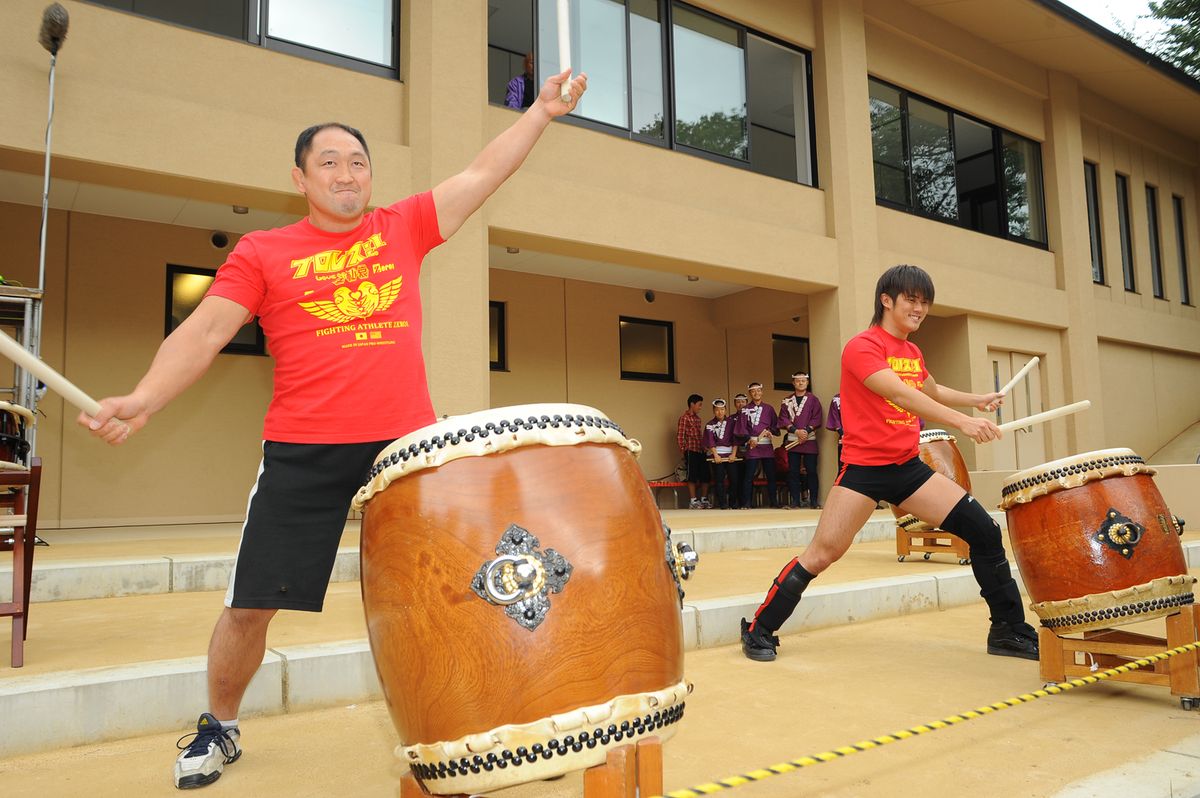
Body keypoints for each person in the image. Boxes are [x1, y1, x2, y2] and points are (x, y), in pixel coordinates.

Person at [79, 69, 588, 790]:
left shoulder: (402, 226)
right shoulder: (262, 251)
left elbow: (482, 172)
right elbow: (205, 331)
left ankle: (489, 725)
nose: (347, 174)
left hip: (407, 450)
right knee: (252, 603)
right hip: (304, 450)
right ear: (301, 177)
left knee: (467, 587)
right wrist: (144, 397)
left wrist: (540, 112)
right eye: (329, 162)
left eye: (358, 162)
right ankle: (220, 725)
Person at [739, 264, 1039, 663]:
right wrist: (964, 423)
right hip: (864, 471)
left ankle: (1008, 631)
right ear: (886, 300)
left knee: (983, 531)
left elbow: (929, 389)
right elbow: (902, 395)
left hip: (907, 468)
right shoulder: (862, 347)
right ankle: (760, 629)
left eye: (925, 302)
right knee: (822, 554)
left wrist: (976, 400)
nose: (919, 308)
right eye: (912, 300)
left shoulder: (912, 351)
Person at [779, 372, 823, 509]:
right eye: (797, 381)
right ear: (793, 383)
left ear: (807, 382)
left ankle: (814, 501)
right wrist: (795, 431)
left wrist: (806, 431)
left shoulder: (813, 400)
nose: (800, 383)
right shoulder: (787, 400)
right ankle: (795, 502)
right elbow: (783, 418)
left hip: (809, 439)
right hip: (793, 440)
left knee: (811, 470)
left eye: (803, 381)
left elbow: (817, 417)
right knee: (793, 472)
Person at [734, 382, 780, 509]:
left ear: (762, 392)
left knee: (771, 475)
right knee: (749, 476)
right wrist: (748, 439)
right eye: (753, 391)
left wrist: (771, 431)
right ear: (750, 393)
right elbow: (740, 429)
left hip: (766, 446)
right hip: (752, 445)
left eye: (758, 390)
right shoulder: (744, 410)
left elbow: (776, 427)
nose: (756, 393)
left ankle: (773, 502)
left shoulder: (769, 408)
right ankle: (747, 503)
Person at [702, 398, 739, 510]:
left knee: (734, 479)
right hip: (717, 454)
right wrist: (715, 455)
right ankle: (722, 503)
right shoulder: (710, 424)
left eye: (722, 409)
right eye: (717, 410)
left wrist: (733, 454)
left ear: (726, 410)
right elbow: (710, 441)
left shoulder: (732, 422)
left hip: (730, 454)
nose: (720, 412)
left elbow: (735, 439)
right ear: (714, 411)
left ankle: (733, 503)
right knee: (719, 480)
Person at [677, 393, 710, 509]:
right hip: (690, 450)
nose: (700, 408)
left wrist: (704, 447)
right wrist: (684, 450)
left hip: (700, 450)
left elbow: (700, 435)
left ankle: (704, 499)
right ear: (692, 404)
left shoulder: (698, 419)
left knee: (705, 475)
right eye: (699, 405)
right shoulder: (684, 418)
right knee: (692, 475)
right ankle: (693, 500)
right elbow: (680, 435)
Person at [826, 391, 843, 472]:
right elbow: (835, 418)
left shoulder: (861, 397)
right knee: (842, 468)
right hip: (843, 438)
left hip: (860, 439)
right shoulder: (837, 398)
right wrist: (842, 433)